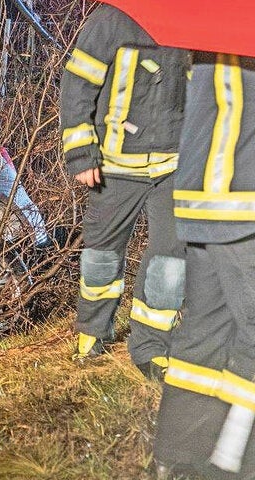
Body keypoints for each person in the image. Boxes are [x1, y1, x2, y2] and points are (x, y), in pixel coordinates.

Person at [59, 4, 190, 380]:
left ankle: (152, 347)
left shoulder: (193, 20)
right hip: (113, 165)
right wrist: (81, 153)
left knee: (170, 262)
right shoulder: (112, 17)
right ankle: (93, 332)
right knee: (101, 255)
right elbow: (77, 85)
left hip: (176, 165)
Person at [154, 52, 255, 479]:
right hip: (244, 199)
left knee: (204, 332)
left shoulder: (209, 36)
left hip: (199, 199)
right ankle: (232, 464)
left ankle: (176, 459)